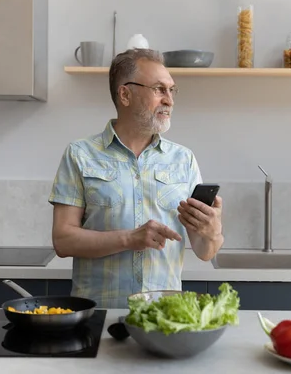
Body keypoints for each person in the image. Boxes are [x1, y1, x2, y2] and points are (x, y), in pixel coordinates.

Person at [48, 48, 224, 308]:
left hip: (163, 316)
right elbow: (63, 240)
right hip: (99, 315)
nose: (169, 100)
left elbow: (204, 251)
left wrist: (213, 232)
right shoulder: (80, 154)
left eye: (171, 90)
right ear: (125, 94)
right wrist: (130, 239)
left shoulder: (183, 159)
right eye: (159, 89)